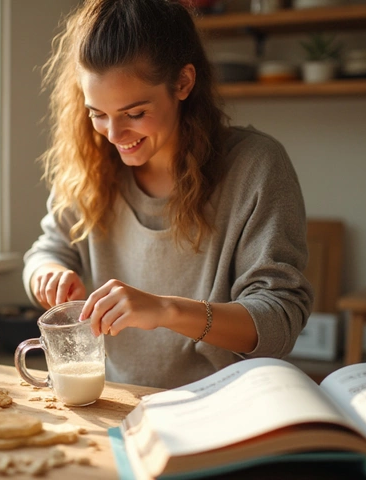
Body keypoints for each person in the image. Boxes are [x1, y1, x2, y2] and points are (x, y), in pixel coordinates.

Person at [22, 0, 314, 389]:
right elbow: (48, 250)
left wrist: (164, 310)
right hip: (117, 399)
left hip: (224, 405)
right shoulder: (89, 165)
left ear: (183, 83)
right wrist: (48, 275)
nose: (113, 135)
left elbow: (278, 322)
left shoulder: (255, 166)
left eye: (135, 113)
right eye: (97, 113)